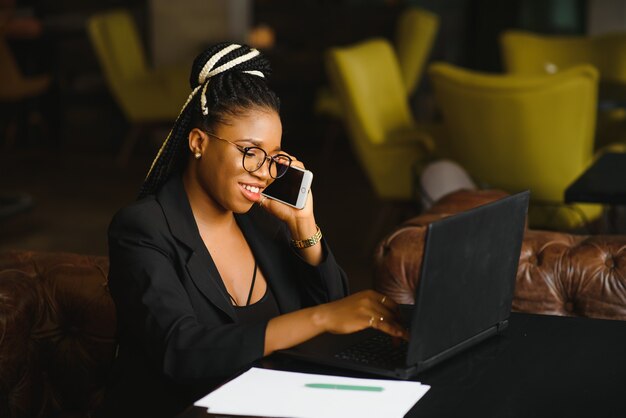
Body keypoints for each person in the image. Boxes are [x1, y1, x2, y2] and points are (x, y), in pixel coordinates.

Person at [98, 42, 408, 418]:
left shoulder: (260, 222)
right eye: (249, 150)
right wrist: (321, 318)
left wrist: (302, 225)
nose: (264, 170)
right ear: (198, 142)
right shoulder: (143, 229)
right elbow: (180, 350)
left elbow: (334, 312)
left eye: (274, 155)